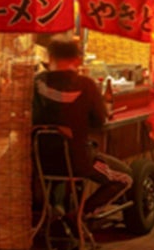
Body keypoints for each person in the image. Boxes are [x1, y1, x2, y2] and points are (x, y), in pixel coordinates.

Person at [32, 36, 132, 220]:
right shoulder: (86, 85)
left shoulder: (36, 83)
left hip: (39, 161)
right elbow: (99, 122)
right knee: (125, 177)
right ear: (76, 59)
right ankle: (77, 217)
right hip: (78, 161)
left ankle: (57, 211)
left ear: (49, 57)